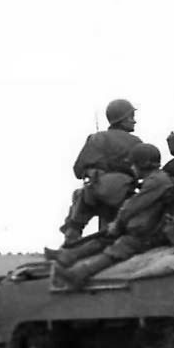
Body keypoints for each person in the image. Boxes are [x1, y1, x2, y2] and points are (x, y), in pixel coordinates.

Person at [54, 143, 174, 289]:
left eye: (134, 165)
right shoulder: (159, 179)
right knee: (107, 238)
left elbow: (132, 207)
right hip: (151, 228)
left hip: (151, 233)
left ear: (142, 164)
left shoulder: (157, 181)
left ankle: (80, 274)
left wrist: (118, 224)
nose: (132, 168)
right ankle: (70, 257)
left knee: (122, 246)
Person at [58, 99, 142, 245]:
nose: (134, 121)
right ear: (121, 119)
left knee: (79, 199)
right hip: (123, 198)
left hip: (94, 195)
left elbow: (78, 170)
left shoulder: (96, 139)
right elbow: (142, 173)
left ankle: (70, 240)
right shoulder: (136, 143)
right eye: (131, 117)